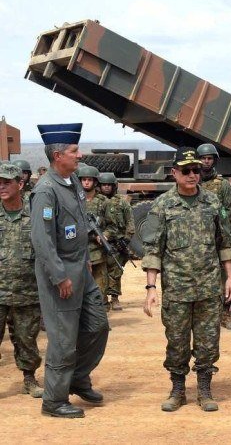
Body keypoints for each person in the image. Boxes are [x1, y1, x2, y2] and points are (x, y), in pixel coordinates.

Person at [142, 147, 231, 413]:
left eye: (196, 170)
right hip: (177, 288)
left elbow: (224, 243)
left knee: (208, 341)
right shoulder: (163, 205)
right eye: (186, 170)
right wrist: (151, 287)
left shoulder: (212, 202)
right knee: (177, 342)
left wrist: (230, 278)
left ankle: (205, 389)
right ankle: (178, 390)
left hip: (209, 286)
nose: (192, 174)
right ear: (174, 173)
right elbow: (153, 250)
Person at [31, 123, 109, 418]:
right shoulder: (45, 191)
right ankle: (53, 400)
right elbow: (42, 240)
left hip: (81, 270)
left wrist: (85, 258)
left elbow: (79, 226)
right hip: (60, 275)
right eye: (75, 151)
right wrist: (59, 275)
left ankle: (77, 377)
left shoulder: (73, 181)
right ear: (58, 156)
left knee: (98, 325)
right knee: (63, 339)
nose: (80, 155)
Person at [0, 163, 43, 398]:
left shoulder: (35, 213)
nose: (2, 187)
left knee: (27, 338)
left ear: (21, 184)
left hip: (27, 291)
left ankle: (29, 379)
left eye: (7, 182)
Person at [196, 143, 231, 331]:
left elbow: (228, 211)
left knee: (224, 276)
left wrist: (218, 224)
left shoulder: (222, 185)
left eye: (209, 158)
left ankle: (225, 314)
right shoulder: (191, 180)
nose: (206, 161)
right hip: (195, 239)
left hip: (217, 237)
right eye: (203, 158)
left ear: (214, 161)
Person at [99, 172, 135, 311]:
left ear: (114, 186)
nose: (106, 187)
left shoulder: (122, 202)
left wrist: (126, 240)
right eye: (104, 185)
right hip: (99, 242)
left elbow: (130, 222)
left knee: (115, 272)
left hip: (117, 243)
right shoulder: (97, 201)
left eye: (109, 185)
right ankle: (102, 300)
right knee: (101, 272)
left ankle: (114, 298)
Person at [78, 165, 111, 304]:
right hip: (79, 253)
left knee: (100, 292)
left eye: (89, 180)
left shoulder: (104, 202)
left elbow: (112, 225)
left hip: (98, 253)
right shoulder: (75, 200)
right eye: (84, 180)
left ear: (95, 182)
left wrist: (105, 235)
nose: (86, 182)